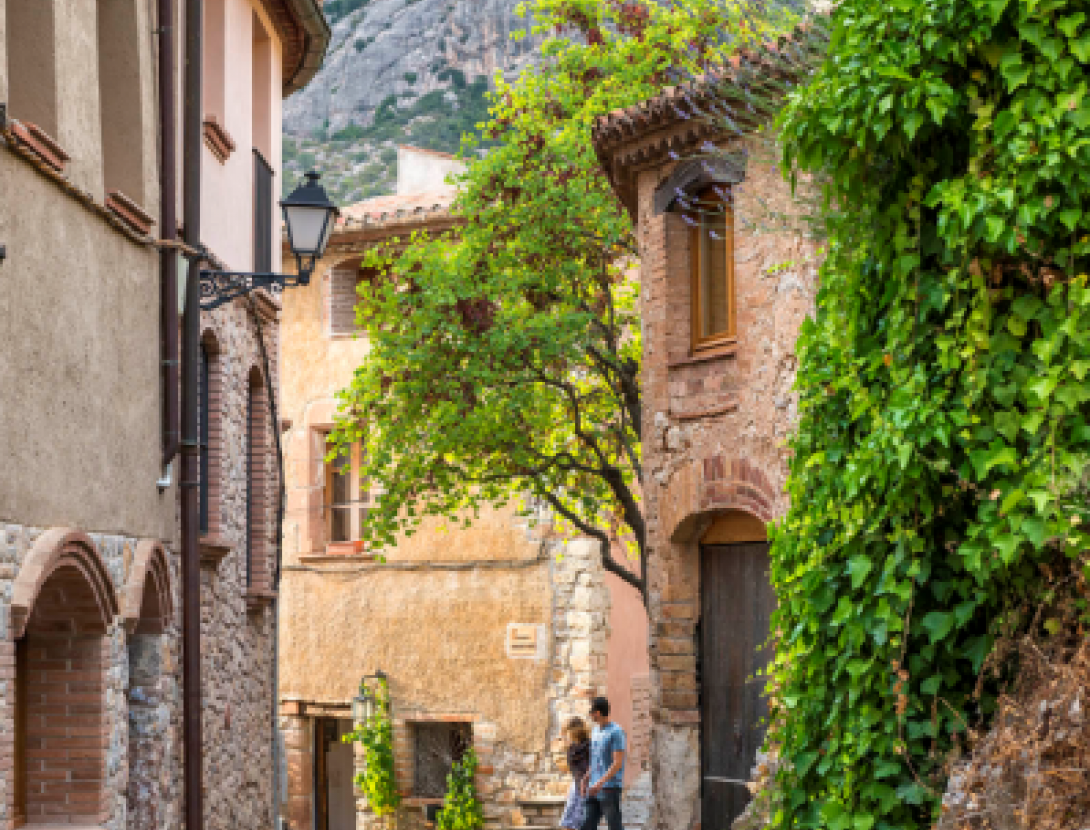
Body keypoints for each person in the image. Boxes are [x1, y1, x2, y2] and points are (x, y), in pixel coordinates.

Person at [581, 696, 626, 830]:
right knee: (587, 824)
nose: (590, 714)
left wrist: (600, 783)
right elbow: (595, 759)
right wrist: (586, 777)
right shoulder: (595, 731)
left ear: (598, 712)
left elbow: (617, 763)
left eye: (591, 711)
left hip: (609, 788)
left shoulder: (616, 732)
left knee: (614, 826)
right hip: (593, 788)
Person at [559, 717, 591, 830]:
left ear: (574, 731)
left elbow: (595, 766)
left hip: (586, 786)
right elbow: (575, 770)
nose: (563, 735)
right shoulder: (571, 748)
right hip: (576, 786)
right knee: (568, 823)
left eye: (565, 732)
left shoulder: (588, 746)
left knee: (579, 822)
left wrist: (585, 782)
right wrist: (571, 788)